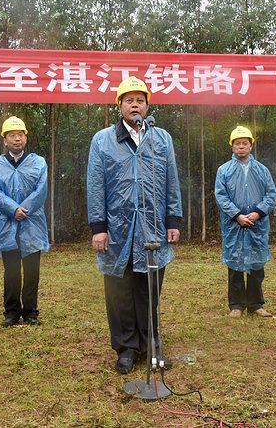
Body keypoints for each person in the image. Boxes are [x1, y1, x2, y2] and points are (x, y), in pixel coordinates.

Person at [87, 76, 182, 374]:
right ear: (119, 106)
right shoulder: (102, 140)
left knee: (148, 288)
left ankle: (151, 343)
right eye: (128, 100)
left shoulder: (161, 138)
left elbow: (171, 181)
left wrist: (173, 220)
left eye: (140, 99)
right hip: (117, 227)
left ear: (147, 105)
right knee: (120, 288)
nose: (135, 104)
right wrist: (98, 226)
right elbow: (95, 184)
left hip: (153, 226)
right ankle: (126, 347)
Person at [0, 116, 49, 327]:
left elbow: (42, 189)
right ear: (5, 140)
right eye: (12, 135)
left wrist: (25, 209)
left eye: (20, 135)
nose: (17, 139)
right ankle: (11, 312)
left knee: (32, 270)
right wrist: (13, 209)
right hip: (6, 224)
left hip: (32, 222)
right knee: (11, 271)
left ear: (25, 138)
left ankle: (30, 312)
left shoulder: (38, 163)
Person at [215, 126, 276, 318]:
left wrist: (258, 213)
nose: (241, 147)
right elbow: (221, 195)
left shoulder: (262, 170)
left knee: (256, 265)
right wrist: (237, 215)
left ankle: (256, 304)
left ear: (251, 146)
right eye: (237, 143)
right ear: (232, 146)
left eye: (245, 143)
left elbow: (271, 194)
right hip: (234, 225)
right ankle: (236, 305)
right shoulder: (224, 170)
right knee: (235, 264)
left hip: (257, 225)